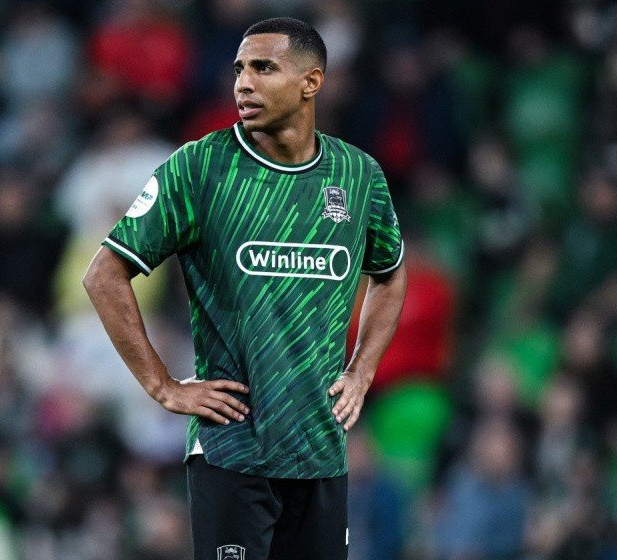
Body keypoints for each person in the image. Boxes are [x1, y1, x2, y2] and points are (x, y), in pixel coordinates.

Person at [83, 17, 407, 560]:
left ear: (311, 82)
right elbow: (103, 274)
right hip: (232, 452)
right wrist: (163, 386)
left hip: (320, 453)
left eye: (263, 68)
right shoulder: (201, 168)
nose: (243, 84)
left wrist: (362, 369)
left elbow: (390, 273)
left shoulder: (358, 176)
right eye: (238, 70)